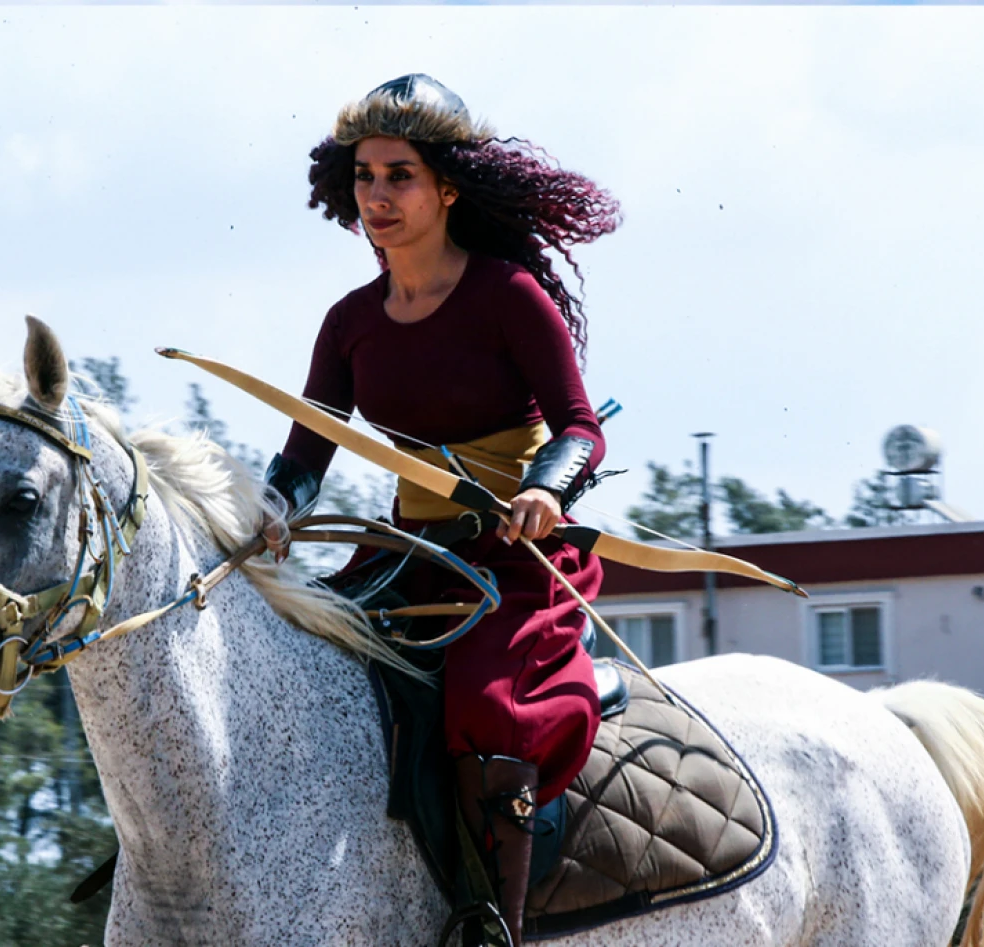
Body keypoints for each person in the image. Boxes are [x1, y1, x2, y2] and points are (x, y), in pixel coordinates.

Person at [262, 74, 620, 945]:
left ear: (448, 187)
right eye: (364, 177)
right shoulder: (348, 321)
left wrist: (545, 487)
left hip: (517, 563)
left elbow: (581, 427)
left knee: (486, 707)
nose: (376, 197)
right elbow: (306, 455)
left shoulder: (508, 295)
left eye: (400, 176)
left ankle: (494, 926)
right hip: (407, 558)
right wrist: (271, 510)